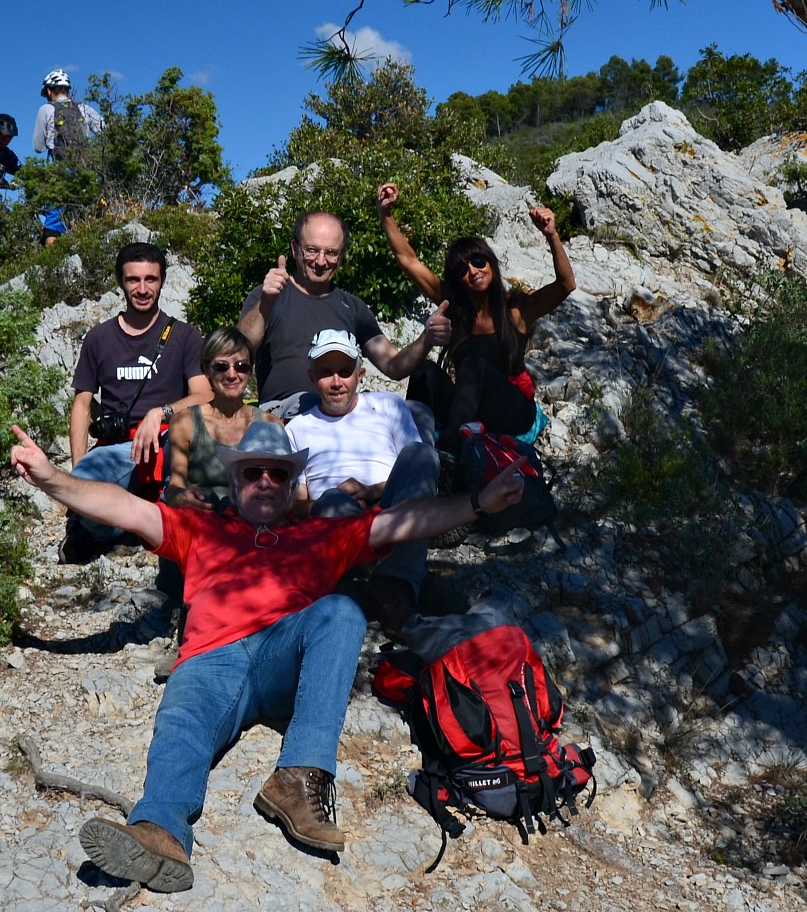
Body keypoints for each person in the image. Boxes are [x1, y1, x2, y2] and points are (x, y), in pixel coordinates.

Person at [9, 419, 528, 893]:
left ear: (291, 485)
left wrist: (478, 504)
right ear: (234, 483)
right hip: (212, 656)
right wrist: (52, 477)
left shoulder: (322, 534)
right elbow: (124, 507)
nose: (263, 481)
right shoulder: (202, 529)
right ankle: (159, 831)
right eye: (251, 472)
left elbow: (403, 522)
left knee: (343, 611)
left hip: (286, 654)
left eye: (276, 474)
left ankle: (298, 780)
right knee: (183, 724)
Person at [376, 181, 577, 451]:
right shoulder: (454, 309)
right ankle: (410, 449)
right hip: (468, 411)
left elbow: (566, 285)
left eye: (478, 262)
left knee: (472, 366)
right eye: (462, 269)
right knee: (423, 371)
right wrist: (385, 214)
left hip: (512, 412)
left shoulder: (517, 310)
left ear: (491, 264)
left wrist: (552, 235)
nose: (472, 271)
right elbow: (408, 261)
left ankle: (448, 452)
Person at [63, 242, 211, 564]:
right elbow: (82, 404)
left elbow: (205, 394)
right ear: (121, 282)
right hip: (118, 448)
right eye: (133, 280)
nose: (142, 289)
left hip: (169, 440)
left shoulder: (184, 336)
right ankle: (127, 524)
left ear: (162, 281)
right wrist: (77, 477)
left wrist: (161, 413)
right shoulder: (98, 339)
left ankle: (135, 520)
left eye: (151, 279)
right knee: (85, 482)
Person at [285, 329, 439, 635]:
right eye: (326, 373)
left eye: (345, 372)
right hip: (334, 518)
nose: (337, 382)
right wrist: (330, 498)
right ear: (311, 377)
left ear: (361, 374)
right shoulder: (296, 428)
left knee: (424, 454)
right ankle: (355, 587)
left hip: (389, 509)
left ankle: (395, 587)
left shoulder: (389, 405)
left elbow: (414, 463)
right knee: (331, 503)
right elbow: (295, 506)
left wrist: (371, 491)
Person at [238, 210, 451, 419]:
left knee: (416, 413)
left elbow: (393, 365)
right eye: (312, 250)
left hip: (341, 408)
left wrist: (427, 338)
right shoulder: (268, 296)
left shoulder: (352, 307)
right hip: (286, 412)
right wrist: (266, 303)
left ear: (341, 256)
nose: (321, 261)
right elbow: (237, 350)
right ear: (295, 249)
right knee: (317, 403)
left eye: (331, 252)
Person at [164, 327, 280, 514]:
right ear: (206, 371)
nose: (232, 375)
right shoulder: (185, 422)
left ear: (250, 372)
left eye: (241, 366)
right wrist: (181, 497)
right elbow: (174, 487)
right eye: (221, 367)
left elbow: (282, 489)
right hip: (202, 517)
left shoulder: (270, 424)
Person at [32, 70, 104, 244]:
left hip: (60, 171)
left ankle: (53, 264)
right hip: (86, 170)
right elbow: (105, 131)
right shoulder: (84, 108)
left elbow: (38, 147)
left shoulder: (46, 109)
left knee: (53, 223)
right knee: (82, 216)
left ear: (49, 91)